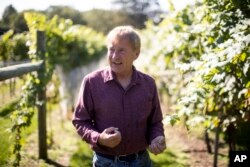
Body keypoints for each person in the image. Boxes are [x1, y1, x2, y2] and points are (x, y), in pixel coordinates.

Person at [72, 25, 166, 167]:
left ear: (136, 54)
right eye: (111, 50)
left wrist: (157, 138)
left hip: (141, 161)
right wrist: (99, 138)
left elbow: (155, 122)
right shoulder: (92, 82)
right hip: (106, 162)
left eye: (121, 50)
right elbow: (80, 121)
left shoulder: (148, 84)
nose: (115, 56)